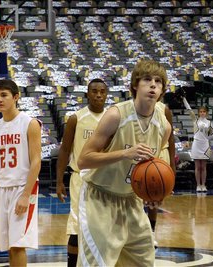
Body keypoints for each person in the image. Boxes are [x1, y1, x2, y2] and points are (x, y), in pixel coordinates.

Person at [77, 59, 172, 266]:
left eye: (158, 81)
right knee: (98, 263)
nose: (153, 85)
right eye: (147, 79)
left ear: (163, 90)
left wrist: (155, 193)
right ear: (135, 85)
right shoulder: (116, 115)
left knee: (144, 261)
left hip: (131, 200)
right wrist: (125, 153)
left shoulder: (163, 125)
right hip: (100, 198)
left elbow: (154, 165)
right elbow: (83, 160)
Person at [0, 79, 42, 266]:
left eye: (4, 95)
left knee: (19, 244)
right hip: (1, 189)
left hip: (23, 188)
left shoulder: (30, 123)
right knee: (9, 246)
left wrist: (26, 195)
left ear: (16, 97)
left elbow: (36, 161)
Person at [56, 78, 108, 267]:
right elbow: (64, 150)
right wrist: (59, 180)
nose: (98, 95)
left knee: (104, 229)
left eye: (102, 91)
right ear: (87, 94)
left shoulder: (112, 118)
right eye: (94, 91)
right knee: (77, 228)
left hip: (105, 180)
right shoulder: (76, 118)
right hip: (81, 178)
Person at [147, 101, 176, 248]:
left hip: (160, 154)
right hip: (141, 153)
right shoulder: (132, 107)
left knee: (154, 198)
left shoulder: (164, 109)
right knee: (135, 197)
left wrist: (172, 165)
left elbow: (171, 139)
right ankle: (136, 233)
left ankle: (151, 233)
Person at [182, 97, 213, 192]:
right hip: (196, 144)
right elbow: (189, 110)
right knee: (197, 166)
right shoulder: (195, 120)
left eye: (204, 111)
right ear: (198, 113)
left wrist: (206, 130)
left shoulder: (209, 123)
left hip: (205, 145)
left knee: (203, 167)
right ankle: (198, 185)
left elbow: (211, 136)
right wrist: (184, 99)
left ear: (206, 113)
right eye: (200, 112)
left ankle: (203, 185)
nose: (202, 113)